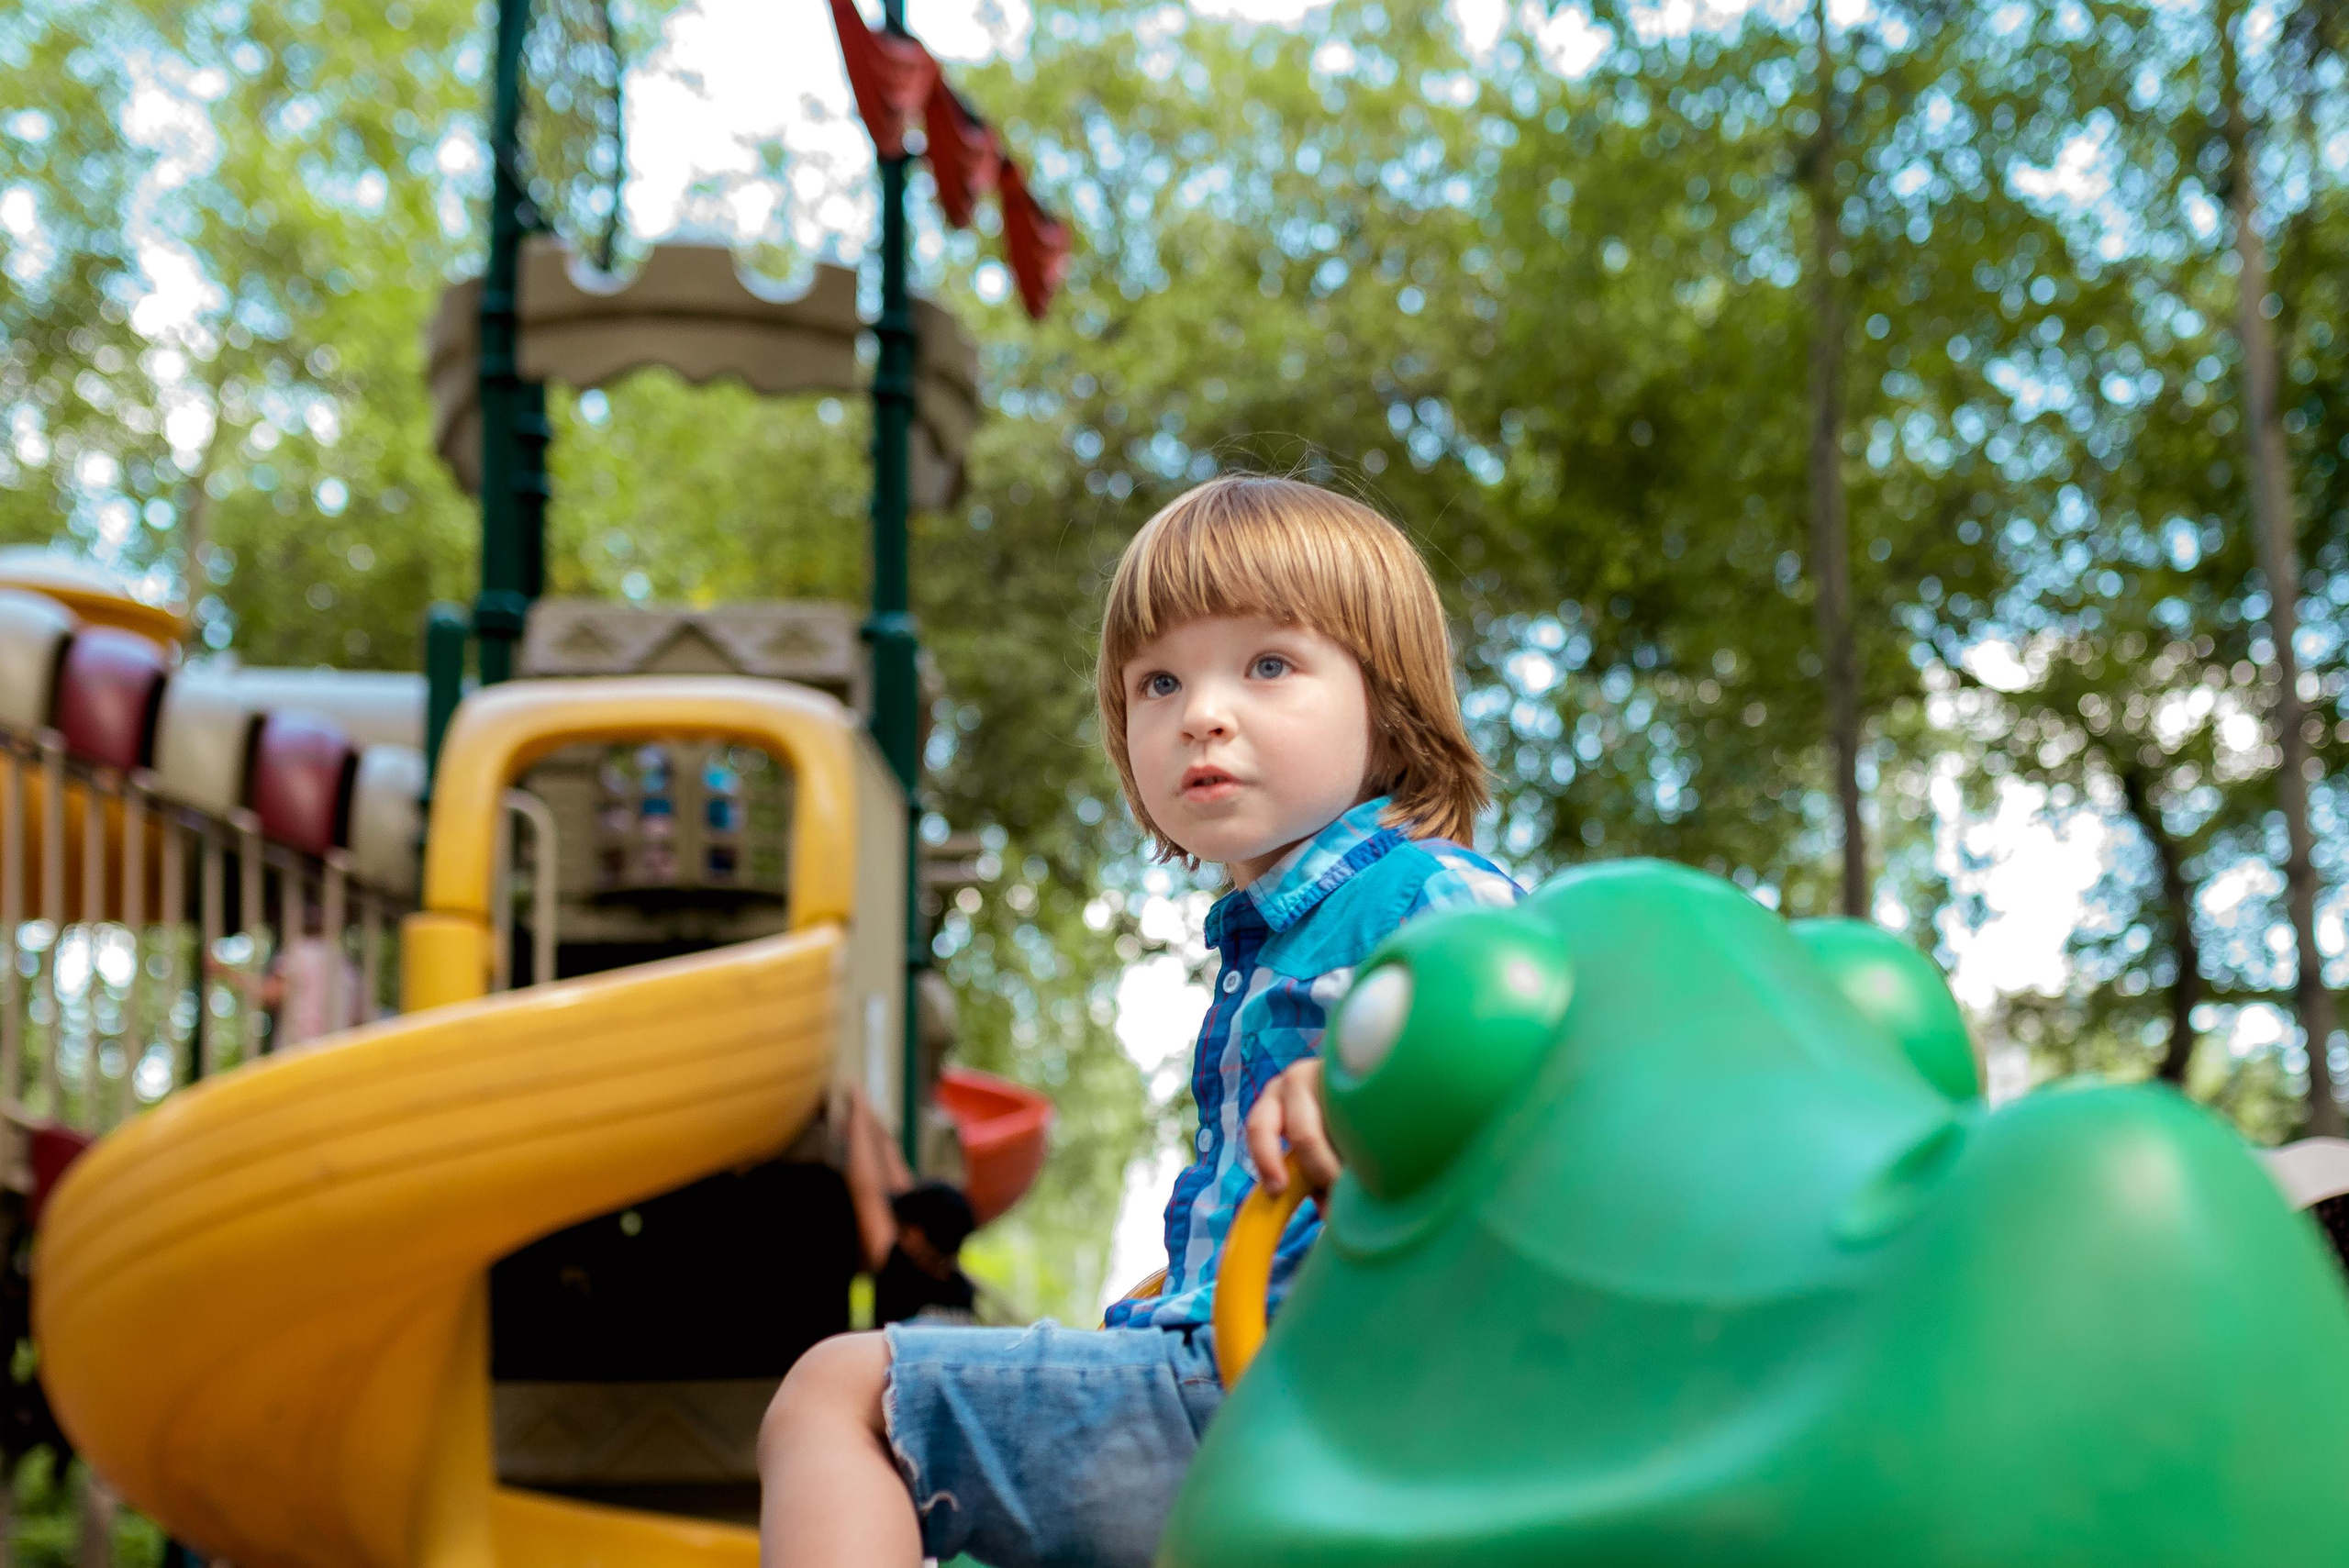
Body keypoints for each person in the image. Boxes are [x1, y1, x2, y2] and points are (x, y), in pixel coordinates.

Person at [758, 474, 1524, 1568]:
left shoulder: (1423, 892)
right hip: (1248, 1375)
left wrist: (1374, 1082)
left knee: (842, 1392)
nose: (1200, 711)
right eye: (1157, 681)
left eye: (1268, 664)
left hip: (1291, 1391)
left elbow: (1535, 1035)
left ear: (1389, 703)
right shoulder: (1265, 935)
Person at [841, 1084, 981, 1326]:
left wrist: (857, 1107)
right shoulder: (961, 1291)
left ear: (919, 1236)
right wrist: (880, 1130)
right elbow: (905, 1190)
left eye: (905, 1226)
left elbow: (867, 1191)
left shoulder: (900, 1273)